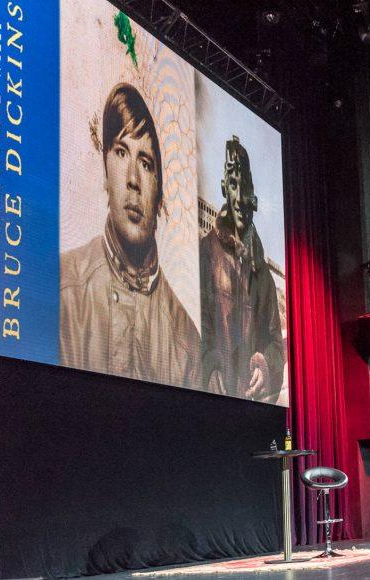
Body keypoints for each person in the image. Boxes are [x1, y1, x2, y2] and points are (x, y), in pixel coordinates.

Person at [60, 83, 200, 386]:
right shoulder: (63, 287)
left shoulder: (187, 339)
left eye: (146, 163)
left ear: (159, 196)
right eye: (122, 152)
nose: (133, 179)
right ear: (105, 171)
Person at [200, 135, 285, 403]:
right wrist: (210, 366)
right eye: (233, 185)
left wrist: (265, 366)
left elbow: (276, 345)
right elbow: (195, 327)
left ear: (254, 198)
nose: (238, 197)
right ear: (225, 188)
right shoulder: (205, 252)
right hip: (210, 405)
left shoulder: (264, 277)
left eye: (244, 187)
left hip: (250, 406)